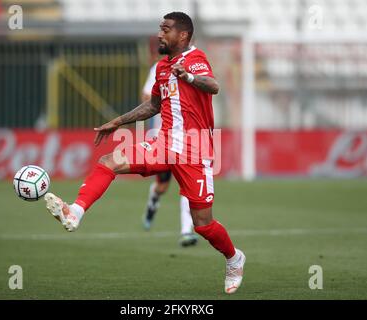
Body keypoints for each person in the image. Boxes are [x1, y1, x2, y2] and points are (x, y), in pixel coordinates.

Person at [44, 12, 246, 294]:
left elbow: (214, 85)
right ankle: (75, 212)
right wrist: (118, 121)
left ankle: (234, 258)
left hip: (194, 150)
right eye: (160, 28)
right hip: (163, 144)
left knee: (203, 224)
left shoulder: (195, 58)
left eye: (166, 29)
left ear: (183, 36)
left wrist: (187, 75)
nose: (160, 34)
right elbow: (153, 105)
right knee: (109, 162)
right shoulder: (162, 67)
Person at [141, 61, 199, 247]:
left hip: (189, 137)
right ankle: (153, 202)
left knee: (187, 183)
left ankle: (186, 231)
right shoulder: (160, 67)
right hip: (165, 137)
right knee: (162, 187)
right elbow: (146, 96)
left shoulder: (194, 66)